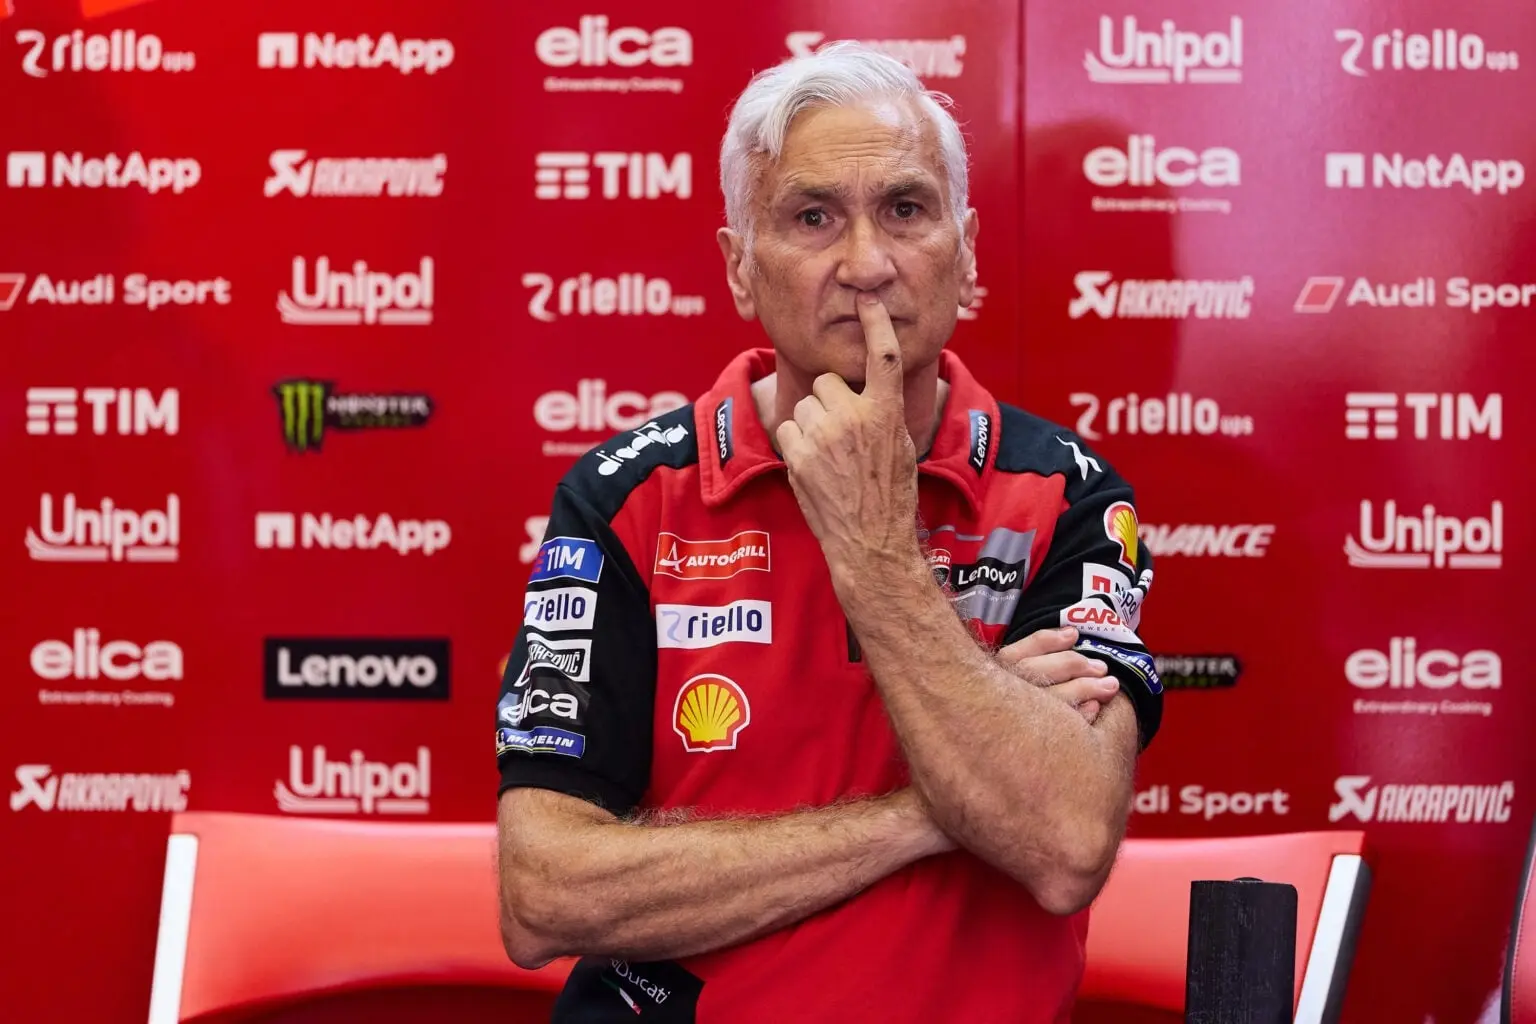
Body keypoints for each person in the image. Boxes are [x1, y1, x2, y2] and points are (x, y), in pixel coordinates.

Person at [494, 41, 1162, 1023]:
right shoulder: (626, 499)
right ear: (740, 267)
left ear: (967, 252)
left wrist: (877, 551)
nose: (867, 265)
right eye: (813, 218)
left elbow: (1063, 846)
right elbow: (543, 896)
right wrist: (935, 814)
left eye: (906, 209)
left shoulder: (1067, 495)